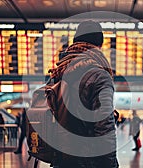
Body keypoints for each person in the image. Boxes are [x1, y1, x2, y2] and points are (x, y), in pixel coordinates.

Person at [49, 20, 118, 167]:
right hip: (88, 161)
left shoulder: (57, 73)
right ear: (99, 45)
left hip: (60, 159)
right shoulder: (99, 76)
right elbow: (104, 127)